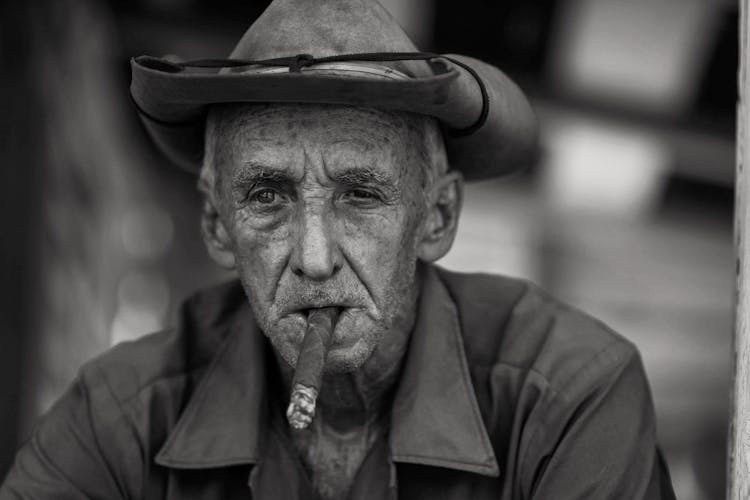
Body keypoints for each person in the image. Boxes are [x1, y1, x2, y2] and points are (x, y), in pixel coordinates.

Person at [1, 0, 675, 498]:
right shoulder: (119, 415)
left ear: (435, 219)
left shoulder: (570, 393)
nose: (315, 258)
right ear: (215, 221)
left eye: (359, 195)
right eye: (268, 196)